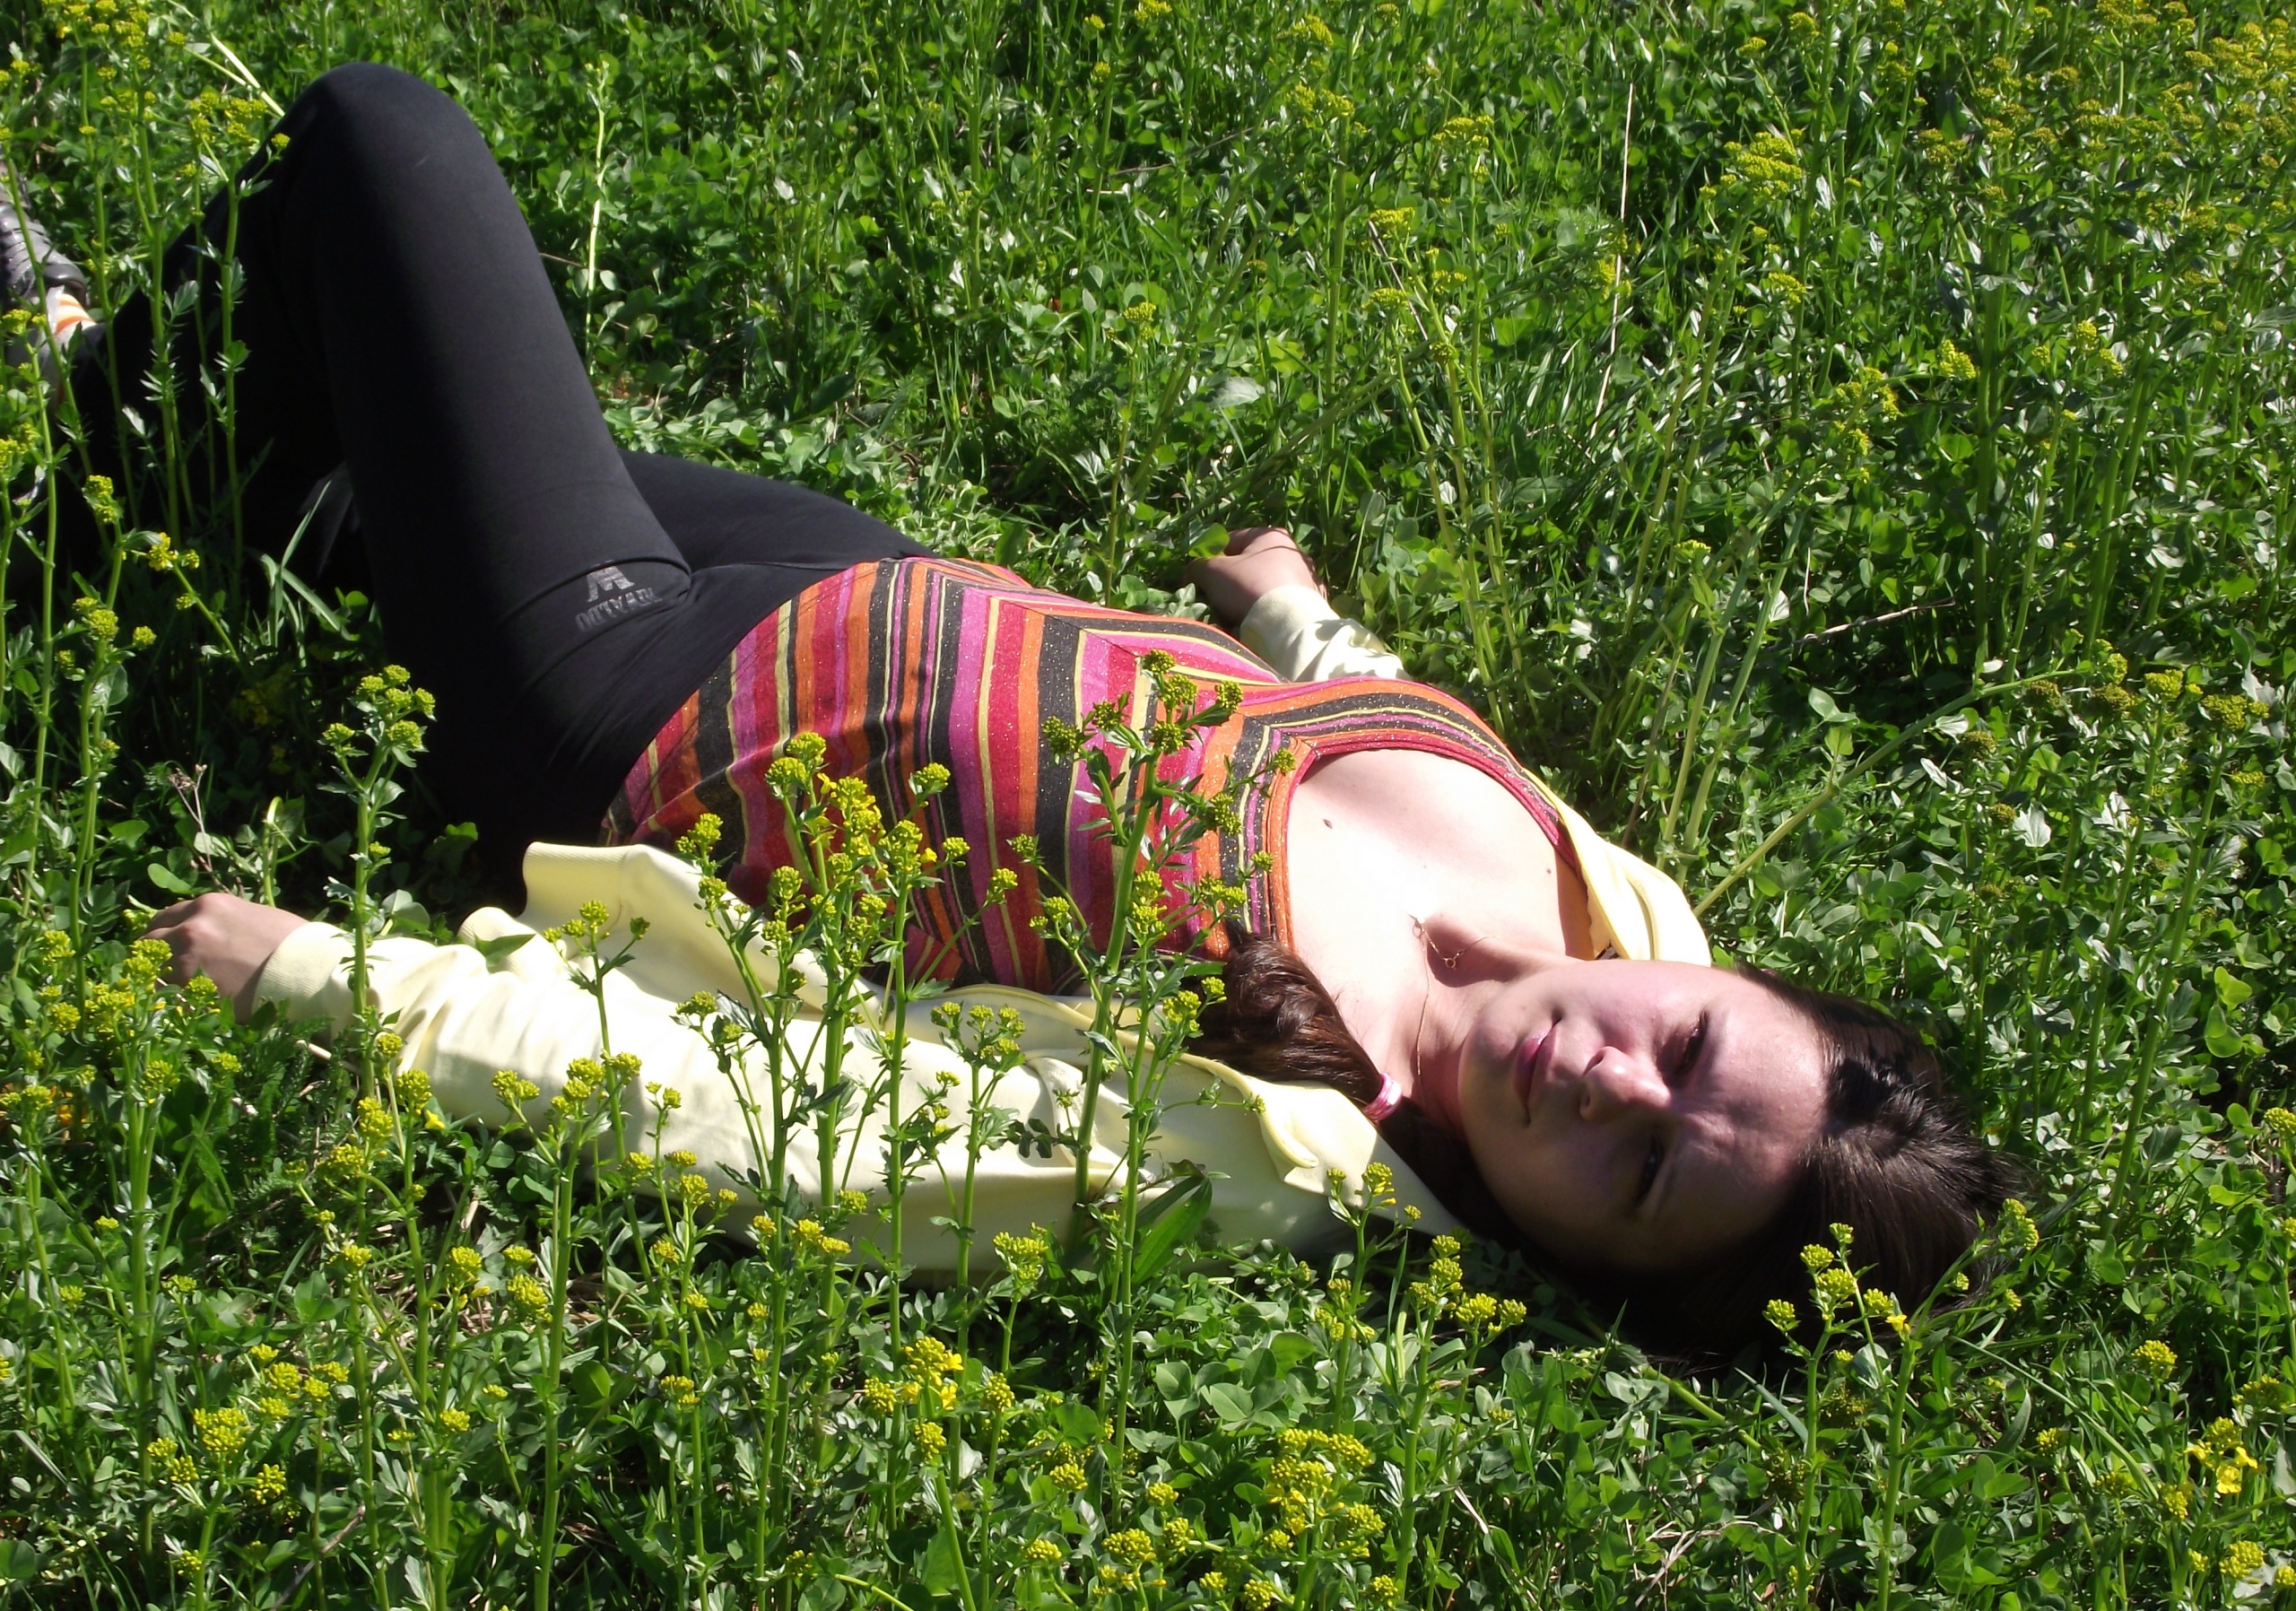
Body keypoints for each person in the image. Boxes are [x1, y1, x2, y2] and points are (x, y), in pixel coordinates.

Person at [7, 64, 2010, 1352]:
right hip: (861, 583)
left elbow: (802, 1139)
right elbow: (1411, 741)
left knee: (382, 149)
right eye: (1691, 1049)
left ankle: (50, 432)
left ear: (1592, 1270)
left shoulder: (1288, 1157)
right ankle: (106, 385)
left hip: (639, 707)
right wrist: (1303, 623)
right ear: (1730, 986)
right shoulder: (1628, 913)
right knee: (357, 474)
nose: (1616, 1083)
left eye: (1645, 1175)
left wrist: (337, 985)